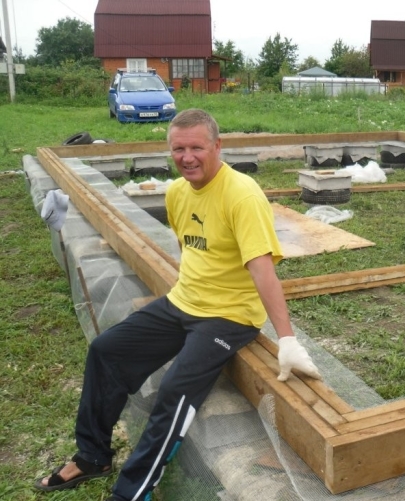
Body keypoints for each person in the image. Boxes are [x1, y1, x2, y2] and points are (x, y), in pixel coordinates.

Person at [34, 108, 321, 501]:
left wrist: (287, 339)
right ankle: (92, 456)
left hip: (229, 316)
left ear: (217, 146)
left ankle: (132, 492)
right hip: (183, 302)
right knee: (106, 351)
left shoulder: (242, 195)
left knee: (174, 390)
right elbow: (192, 251)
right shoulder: (177, 193)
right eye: (178, 148)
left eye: (197, 148)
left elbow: (262, 269)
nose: (187, 157)